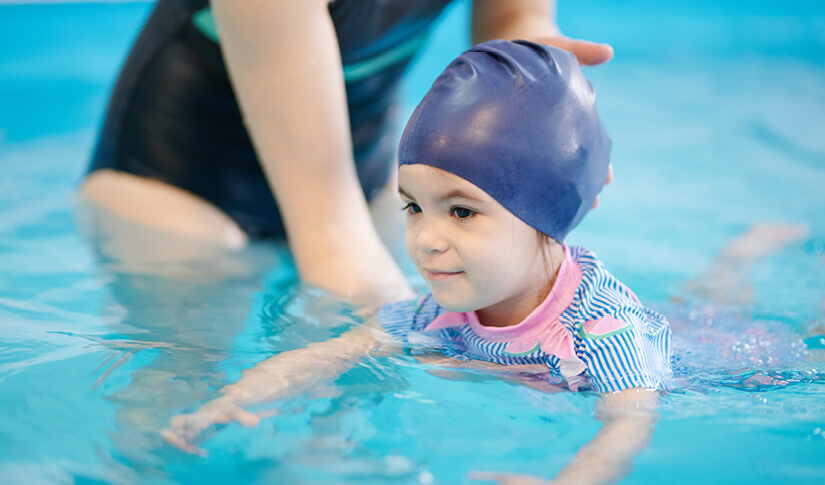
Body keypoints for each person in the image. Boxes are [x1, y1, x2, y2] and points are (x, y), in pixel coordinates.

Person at [162, 40, 671, 485]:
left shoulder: (604, 326)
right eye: (413, 207)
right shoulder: (437, 312)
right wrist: (235, 399)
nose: (426, 239)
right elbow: (333, 353)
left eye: (462, 211)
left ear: (549, 210)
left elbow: (628, 423)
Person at [79, 0, 614, 306]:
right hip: (180, 177)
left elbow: (511, 20)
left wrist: (538, 75)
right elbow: (332, 239)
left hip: (367, 163)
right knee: (173, 406)